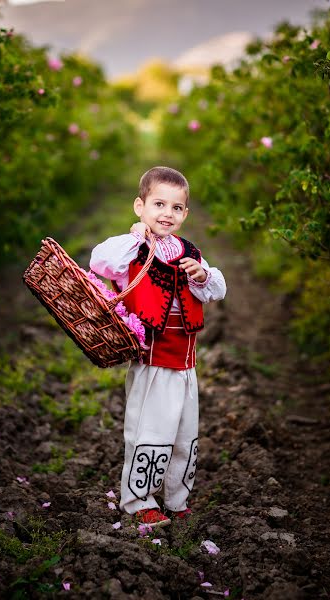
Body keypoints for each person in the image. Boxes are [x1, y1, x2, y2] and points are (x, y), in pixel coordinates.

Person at [89, 166, 227, 528]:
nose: (167, 213)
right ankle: (138, 500)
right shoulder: (134, 250)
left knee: (184, 434)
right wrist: (136, 237)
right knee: (149, 430)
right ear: (140, 206)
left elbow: (216, 290)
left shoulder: (189, 251)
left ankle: (176, 497)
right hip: (153, 359)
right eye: (159, 204)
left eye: (176, 207)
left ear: (185, 213)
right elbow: (99, 261)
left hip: (185, 362)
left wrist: (203, 274)